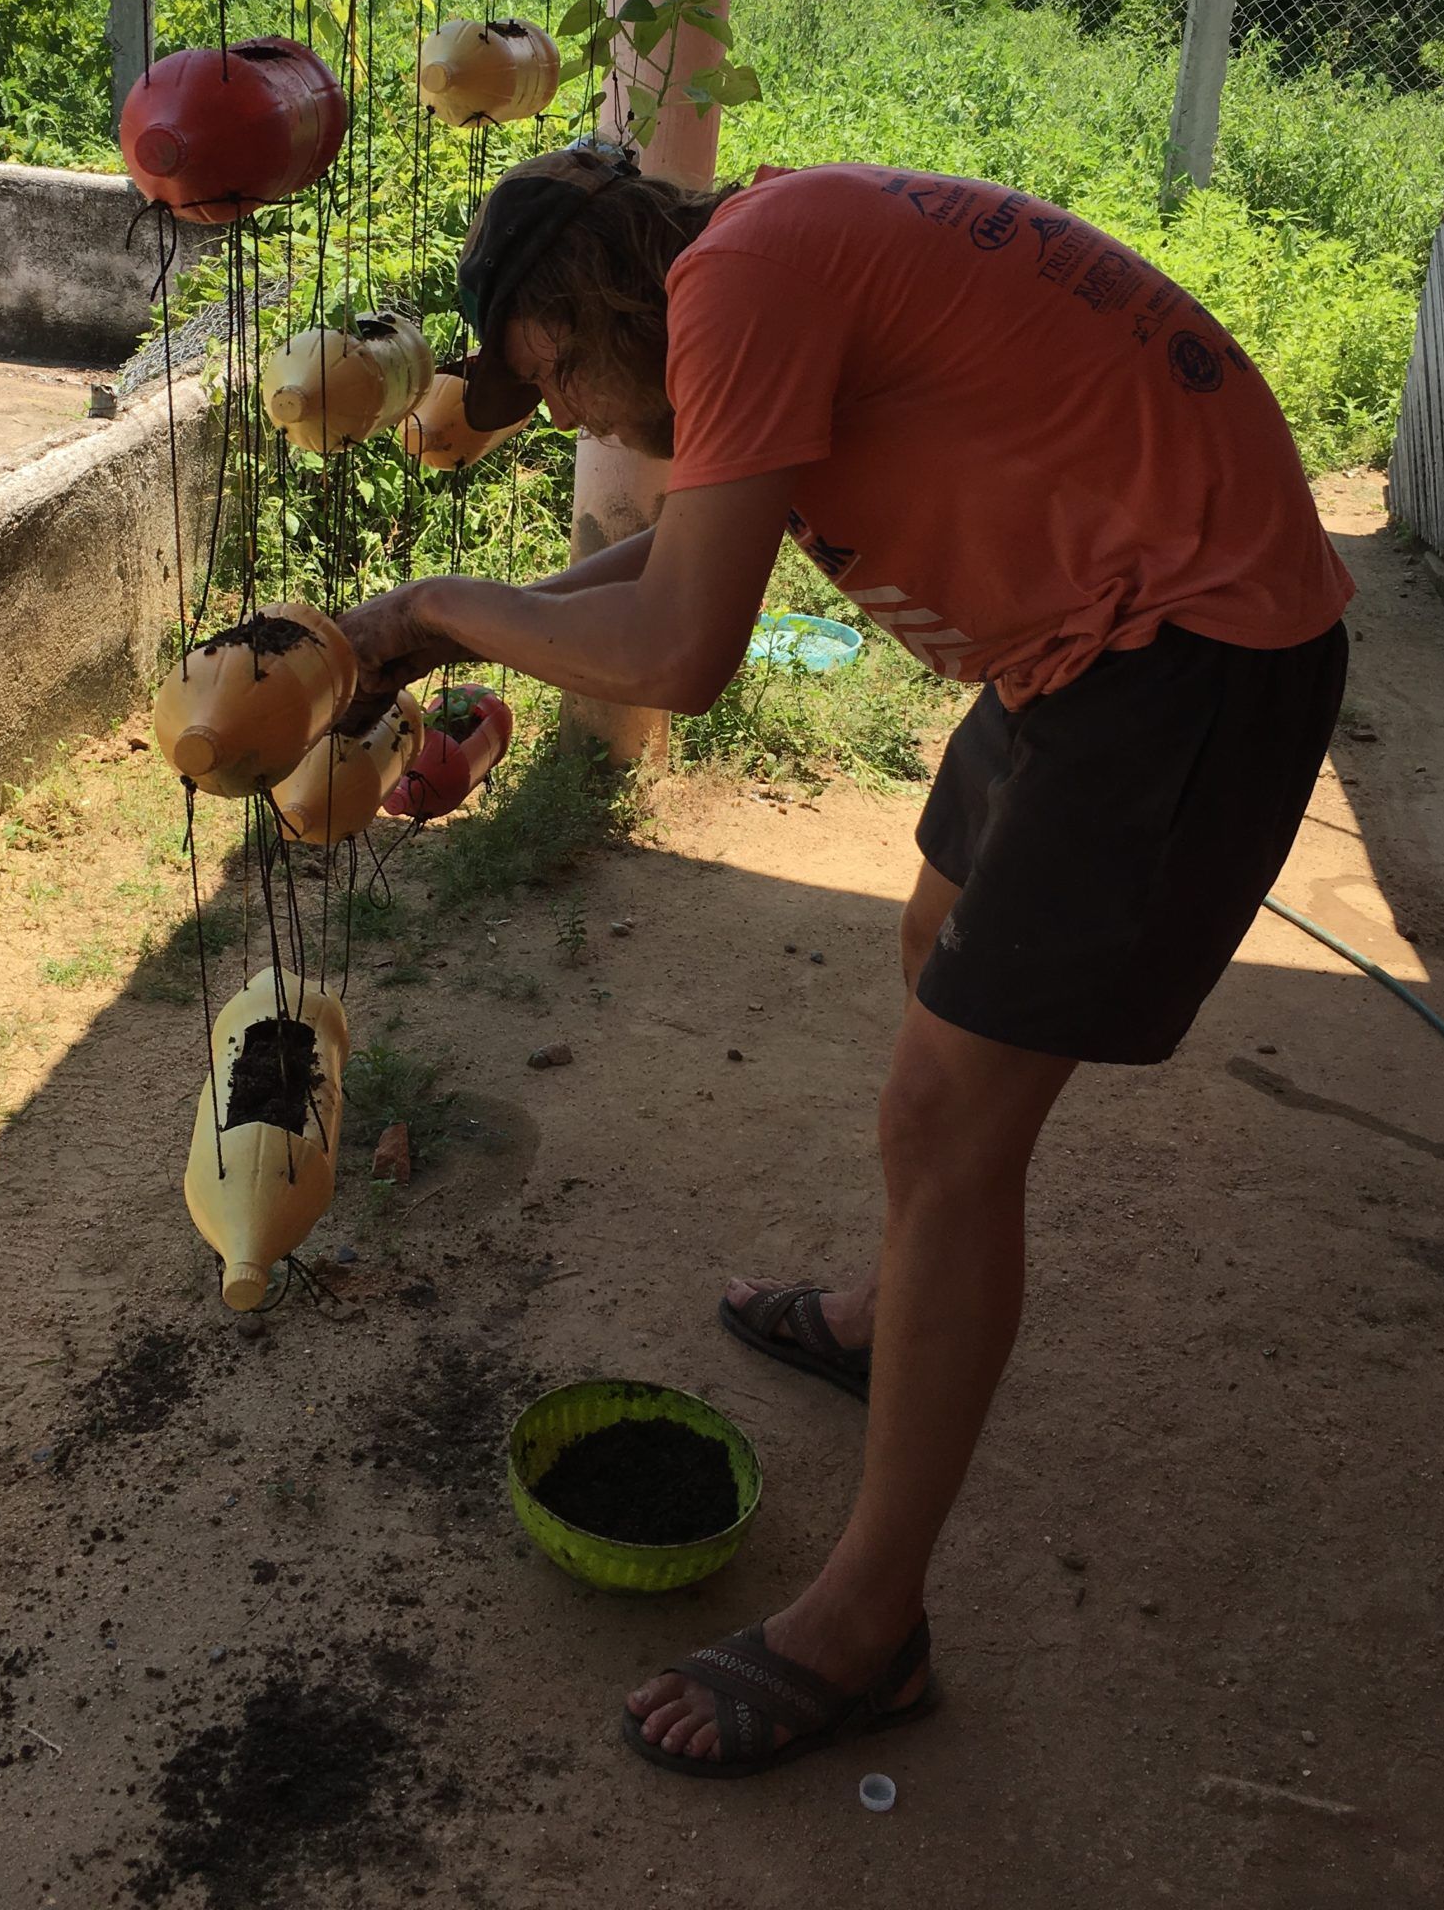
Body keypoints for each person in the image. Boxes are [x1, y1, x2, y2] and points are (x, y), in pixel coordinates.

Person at [335, 142, 1352, 1782]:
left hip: (1187, 647)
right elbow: (668, 565)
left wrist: (433, 609)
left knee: (946, 1127)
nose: (590, 420)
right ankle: (895, 1318)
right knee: (937, 934)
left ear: (601, 296)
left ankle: (869, 1632)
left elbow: (682, 652)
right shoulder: (766, 258)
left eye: (567, 378)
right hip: (1084, 630)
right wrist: (439, 624)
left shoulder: (740, 283)